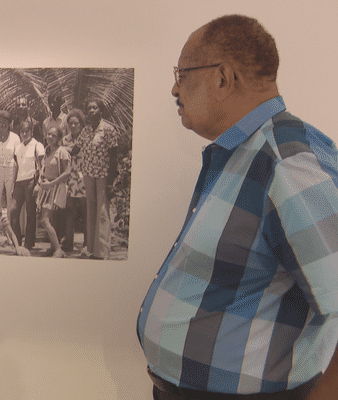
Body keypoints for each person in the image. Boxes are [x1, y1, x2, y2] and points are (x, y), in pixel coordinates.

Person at [137, 15, 338, 400]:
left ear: (223, 78)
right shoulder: (240, 154)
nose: (174, 88)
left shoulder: (287, 165)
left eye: (182, 74)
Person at [76, 99, 118, 260]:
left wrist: (111, 182)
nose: (91, 110)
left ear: (101, 111)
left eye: (95, 108)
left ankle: (103, 251)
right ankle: (92, 250)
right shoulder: (86, 131)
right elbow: (75, 148)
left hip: (103, 175)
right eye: (89, 108)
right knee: (91, 210)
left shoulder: (108, 130)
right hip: (88, 174)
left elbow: (114, 156)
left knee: (102, 212)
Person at [35, 126, 71, 258]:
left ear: (59, 138)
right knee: (50, 220)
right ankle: (53, 247)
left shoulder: (62, 152)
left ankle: (58, 250)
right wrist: (40, 183)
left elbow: (67, 172)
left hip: (55, 188)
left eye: (54, 135)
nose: (50, 137)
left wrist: (51, 183)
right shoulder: (47, 150)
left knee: (44, 220)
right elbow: (42, 169)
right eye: (48, 134)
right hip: (45, 188)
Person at [9, 120, 45, 250]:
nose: (24, 134)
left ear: (31, 132)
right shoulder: (18, 147)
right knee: (13, 211)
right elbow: (16, 167)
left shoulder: (37, 145)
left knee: (31, 213)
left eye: (27, 131)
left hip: (31, 181)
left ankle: (29, 242)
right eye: (22, 131)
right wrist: (13, 185)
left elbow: (42, 166)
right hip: (19, 182)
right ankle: (17, 240)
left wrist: (38, 184)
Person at [61, 108, 88, 254]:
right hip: (70, 179)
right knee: (69, 211)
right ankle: (68, 242)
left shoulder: (86, 138)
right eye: (70, 123)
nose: (73, 126)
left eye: (76, 123)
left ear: (81, 124)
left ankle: (87, 243)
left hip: (83, 178)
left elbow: (73, 151)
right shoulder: (65, 139)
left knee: (85, 212)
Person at [0, 110, 20, 211]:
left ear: (9, 123)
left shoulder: (15, 138)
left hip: (11, 168)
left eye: (6, 122)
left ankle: (9, 223)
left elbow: (18, 159)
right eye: (1, 122)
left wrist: (16, 178)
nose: (3, 124)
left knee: (10, 197)